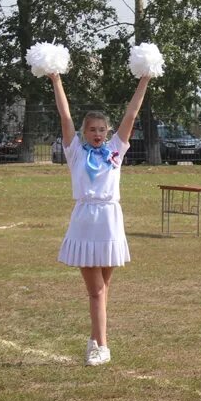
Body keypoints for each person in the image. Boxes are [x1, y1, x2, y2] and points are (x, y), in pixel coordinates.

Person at [50, 72, 151, 366]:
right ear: (84, 132)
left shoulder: (115, 151)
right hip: (85, 220)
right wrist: (56, 79)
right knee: (95, 290)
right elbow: (65, 115)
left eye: (102, 129)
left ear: (107, 132)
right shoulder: (76, 153)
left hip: (110, 220)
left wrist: (144, 78)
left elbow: (132, 113)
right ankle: (101, 347)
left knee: (104, 289)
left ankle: (95, 338)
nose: (97, 133)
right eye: (92, 129)